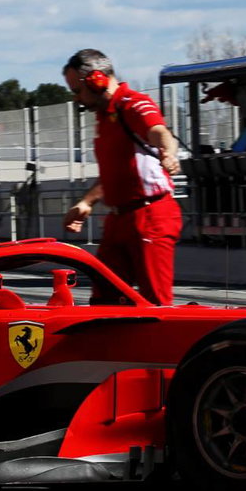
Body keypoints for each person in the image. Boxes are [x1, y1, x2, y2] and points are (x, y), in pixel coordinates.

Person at [60, 48, 182, 306]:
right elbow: (114, 173)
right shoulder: (105, 118)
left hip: (150, 216)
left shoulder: (133, 104)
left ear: (97, 80)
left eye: (77, 91)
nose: (77, 99)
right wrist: (87, 202)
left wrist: (169, 154)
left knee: (155, 303)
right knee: (104, 299)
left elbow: (159, 131)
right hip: (119, 219)